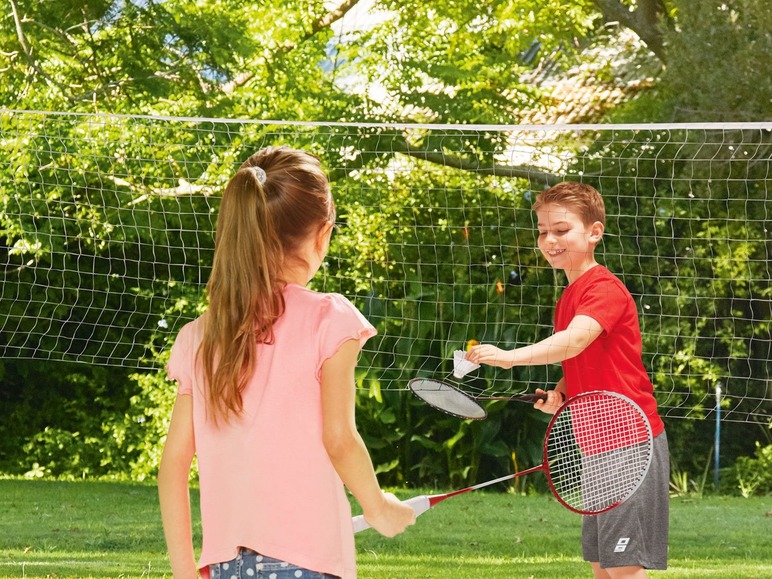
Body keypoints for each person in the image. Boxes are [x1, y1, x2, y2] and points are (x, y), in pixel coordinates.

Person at [158, 146, 415, 579]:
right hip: (307, 565)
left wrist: (185, 572)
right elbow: (340, 439)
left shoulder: (199, 336)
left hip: (224, 567)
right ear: (323, 233)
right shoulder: (329, 318)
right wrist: (380, 509)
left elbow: (173, 465)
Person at [465, 181, 669, 578]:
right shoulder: (569, 295)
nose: (550, 240)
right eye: (543, 231)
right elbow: (585, 359)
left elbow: (574, 341)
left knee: (624, 568)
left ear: (594, 232)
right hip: (595, 445)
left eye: (561, 230)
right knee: (601, 564)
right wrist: (560, 391)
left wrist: (509, 358)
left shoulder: (604, 289)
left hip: (630, 442)